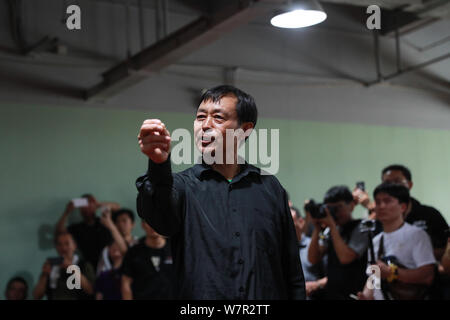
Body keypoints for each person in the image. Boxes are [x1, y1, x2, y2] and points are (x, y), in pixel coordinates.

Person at [135, 85, 305, 299]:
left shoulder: (269, 187)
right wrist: (158, 164)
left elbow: (291, 267)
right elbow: (161, 218)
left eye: (218, 117)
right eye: (200, 117)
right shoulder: (182, 186)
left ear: (245, 129)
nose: (205, 125)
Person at [357, 183, 436, 300]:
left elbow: (427, 275)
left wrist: (391, 272)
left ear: (403, 207)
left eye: (387, 201)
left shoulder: (416, 235)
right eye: (377, 202)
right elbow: (373, 278)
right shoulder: (375, 241)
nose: (381, 206)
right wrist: (366, 296)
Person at [354, 165, 448, 260]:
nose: (392, 186)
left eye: (397, 181)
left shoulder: (429, 214)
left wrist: (418, 253)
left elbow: (445, 247)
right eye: (387, 183)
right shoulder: (378, 216)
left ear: (409, 184)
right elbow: (358, 245)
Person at [308, 186, 368, 300]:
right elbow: (312, 258)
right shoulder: (330, 231)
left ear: (351, 205)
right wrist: (317, 229)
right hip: (333, 293)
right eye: (330, 209)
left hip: (355, 293)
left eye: (338, 208)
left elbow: (346, 258)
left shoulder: (361, 227)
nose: (334, 213)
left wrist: (332, 226)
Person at [55, 194, 120, 269]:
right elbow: (59, 232)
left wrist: (97, 204)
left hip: (109, 263)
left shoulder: (105, 222)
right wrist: (67, 211)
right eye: (83, 205)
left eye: (89, 205)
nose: (86, 208)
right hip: (88, 266)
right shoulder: (77, 228)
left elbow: (117, 207)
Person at [33, 232, 95, 300]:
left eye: (67, 244)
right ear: (56, 247)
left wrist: (72, 268)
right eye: (59, 244)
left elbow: (91, 290)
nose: (63, 248)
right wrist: (44, 275)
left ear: (74, 246)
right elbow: (37, 296)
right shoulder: (51, 265)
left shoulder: (84, 265)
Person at [121, 220, 173, 300]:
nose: (153, 226)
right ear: (143, 225)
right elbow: (126, 282)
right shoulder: (133, 252)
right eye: (149, 222)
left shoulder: (174, 250)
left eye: (157, 222)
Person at [290, 206, 327, 300]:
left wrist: (316, 284)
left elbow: (333, 276)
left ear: (301, 222)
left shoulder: (315, 245)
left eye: (290, 221)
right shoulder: (281, 250)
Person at [96, 208, 138, 275]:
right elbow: (100, 274)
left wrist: (110, 225)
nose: (120, 224)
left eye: (124, 221)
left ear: (133, 224)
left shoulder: (140, 244)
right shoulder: (106, 250)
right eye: (117, 222)